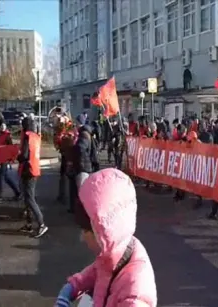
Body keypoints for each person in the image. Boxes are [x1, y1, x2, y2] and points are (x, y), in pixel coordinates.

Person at [54, 168, 157, 307]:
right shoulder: (118, 252)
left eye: (85, 231)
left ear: (102, 232)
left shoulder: (134, 295)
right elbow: (95, 272)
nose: (82, 239)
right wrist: (71, 288)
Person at [17, 118, 48, 238]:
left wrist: (17, 156)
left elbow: (24, 155)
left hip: (27, 170)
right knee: (27, 198)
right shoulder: (35, 137)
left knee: (29, 199)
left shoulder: (26, 136)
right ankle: (29, 224)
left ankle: (41, 224)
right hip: (34, 168)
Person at [0, 123, 21, 201]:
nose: (2, 127)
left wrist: (9, 158)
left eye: (3, 126)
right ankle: (17, 192)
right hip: (0, 158)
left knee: (1, 176)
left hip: (5, 159)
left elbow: (10, 147)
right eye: (1, 126)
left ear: (5, 127)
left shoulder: (7, 136)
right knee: (6, 177)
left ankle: (0, 195)